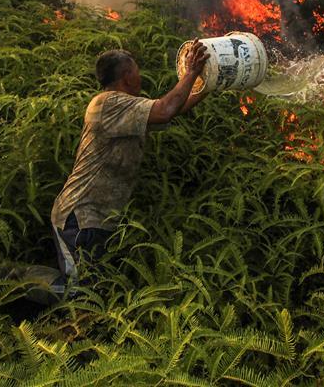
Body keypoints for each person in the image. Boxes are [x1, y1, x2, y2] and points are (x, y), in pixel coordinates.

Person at [48, 39, 210, 296]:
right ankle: (23, 289)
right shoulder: (107, 104)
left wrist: (212, 82)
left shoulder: (127, 108)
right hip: (79, 217)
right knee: (82, 296)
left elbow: (175, 108)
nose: (140, 77)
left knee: (96, 291)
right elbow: (166, 109)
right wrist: (191, 71)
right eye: (137, 71)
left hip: (100, 218)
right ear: (126, 76)